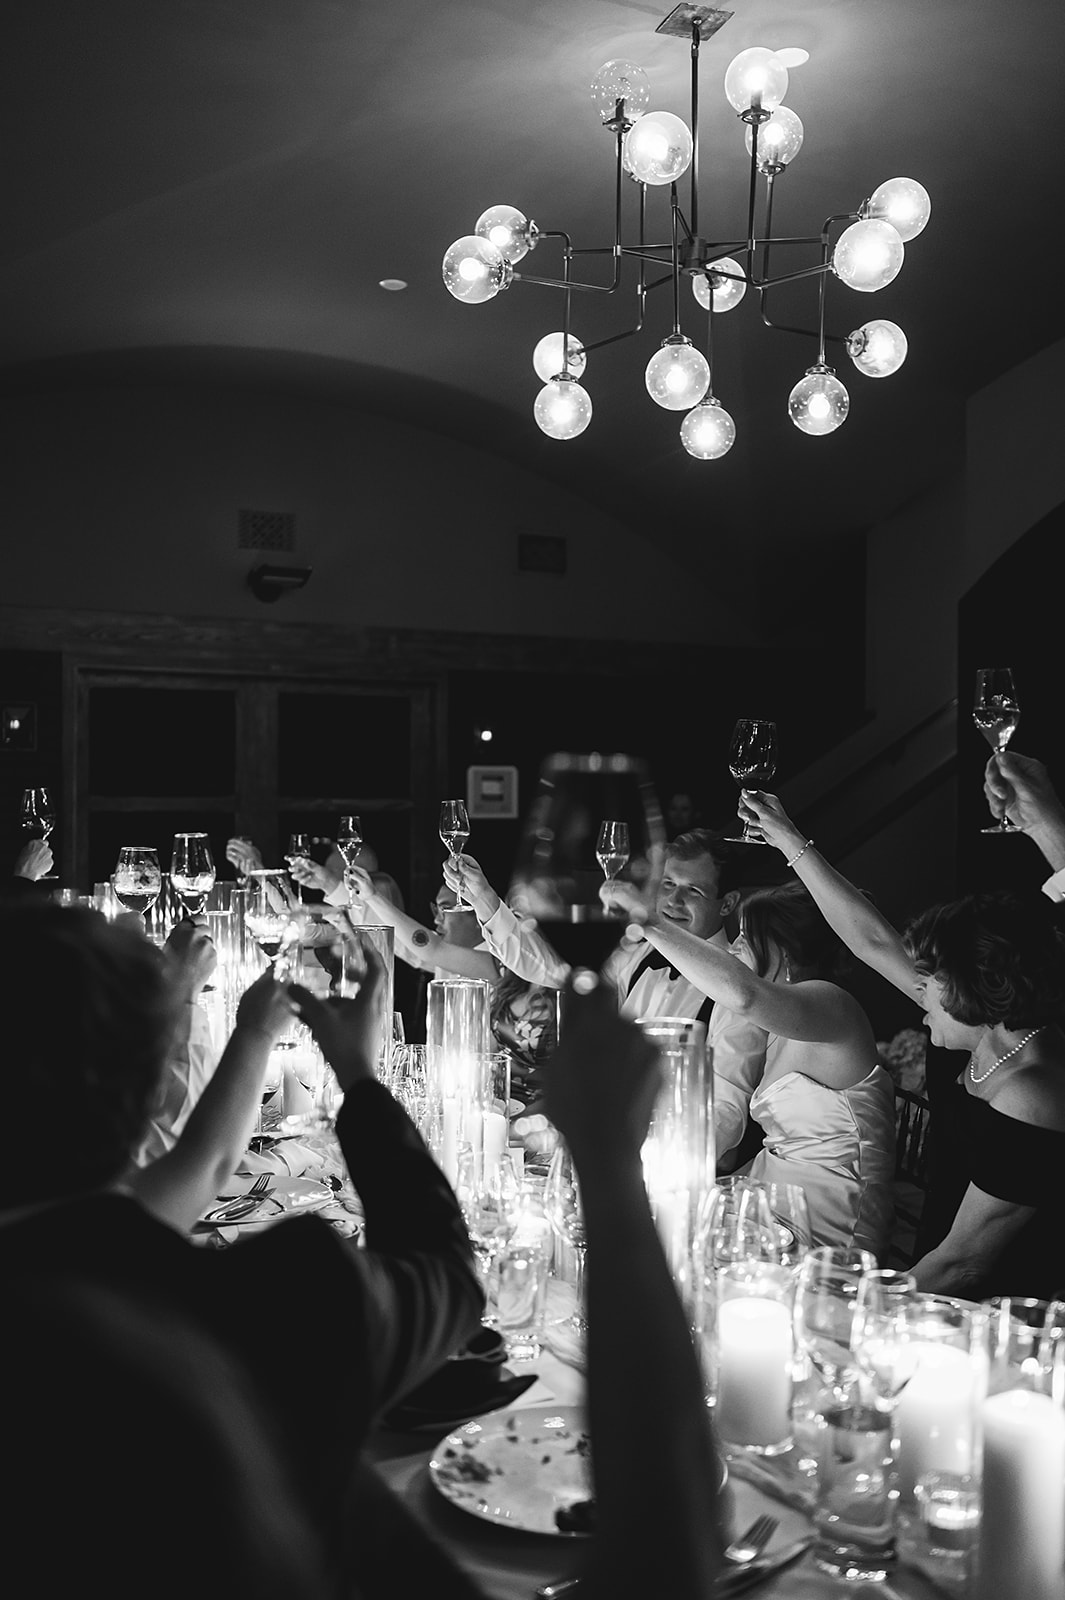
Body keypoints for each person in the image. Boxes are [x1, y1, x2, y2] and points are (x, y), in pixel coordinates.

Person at [0, 902, 484, 1593]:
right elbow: (447, 1276)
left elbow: (183, 1181)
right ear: (152, 1099)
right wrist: (358, 1076)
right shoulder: (273, 1305)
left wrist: (254, 1033)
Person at [738, 788, 1065, 1300]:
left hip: (999, 1315)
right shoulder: (972, 1034)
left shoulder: (1032, 1092)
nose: (917, 990)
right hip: (927, 1277)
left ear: (970, 990)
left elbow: (965, 1264)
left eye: (928, 979)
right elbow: (870, 940)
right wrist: (789, 840)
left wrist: (853, 1308)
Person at [603, 875, 896, 1258]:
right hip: (774, 1199)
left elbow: (743, 994)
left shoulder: (833, 1006)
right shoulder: (784, 1019)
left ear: (786, 951)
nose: (736, 944)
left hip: (829, 1228)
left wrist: (648, 921)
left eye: (747, 934)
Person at [446, 830, 769, 1174]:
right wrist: (483, 897)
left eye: (693, 890)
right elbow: (553, 966)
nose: (673, 901)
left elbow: (728, 1102)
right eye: (668, 885)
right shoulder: (640, 950)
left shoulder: (739, 980)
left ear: (728, 903)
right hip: (602, 1143)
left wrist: (667, 1154)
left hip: (677, 1165)